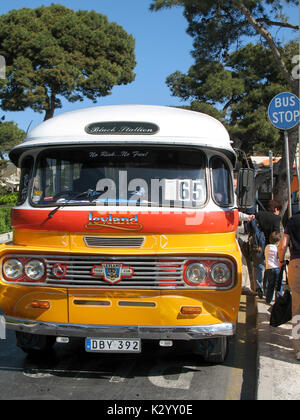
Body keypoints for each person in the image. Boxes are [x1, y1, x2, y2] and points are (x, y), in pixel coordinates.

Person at [278, 212, 300, 361]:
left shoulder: (293, 220)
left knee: (297, 308)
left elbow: (283, 245)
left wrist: (281, 260)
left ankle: (298, 349)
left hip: (297, 265)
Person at [263, 231, 283, 304]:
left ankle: (268, 300)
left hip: (268, 269)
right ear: (278, 242)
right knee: (279, 285)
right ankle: (279, 300)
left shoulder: (266, 247)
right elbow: (279, 258)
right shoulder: (277, 248)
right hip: (276, 268)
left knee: (271, 285)